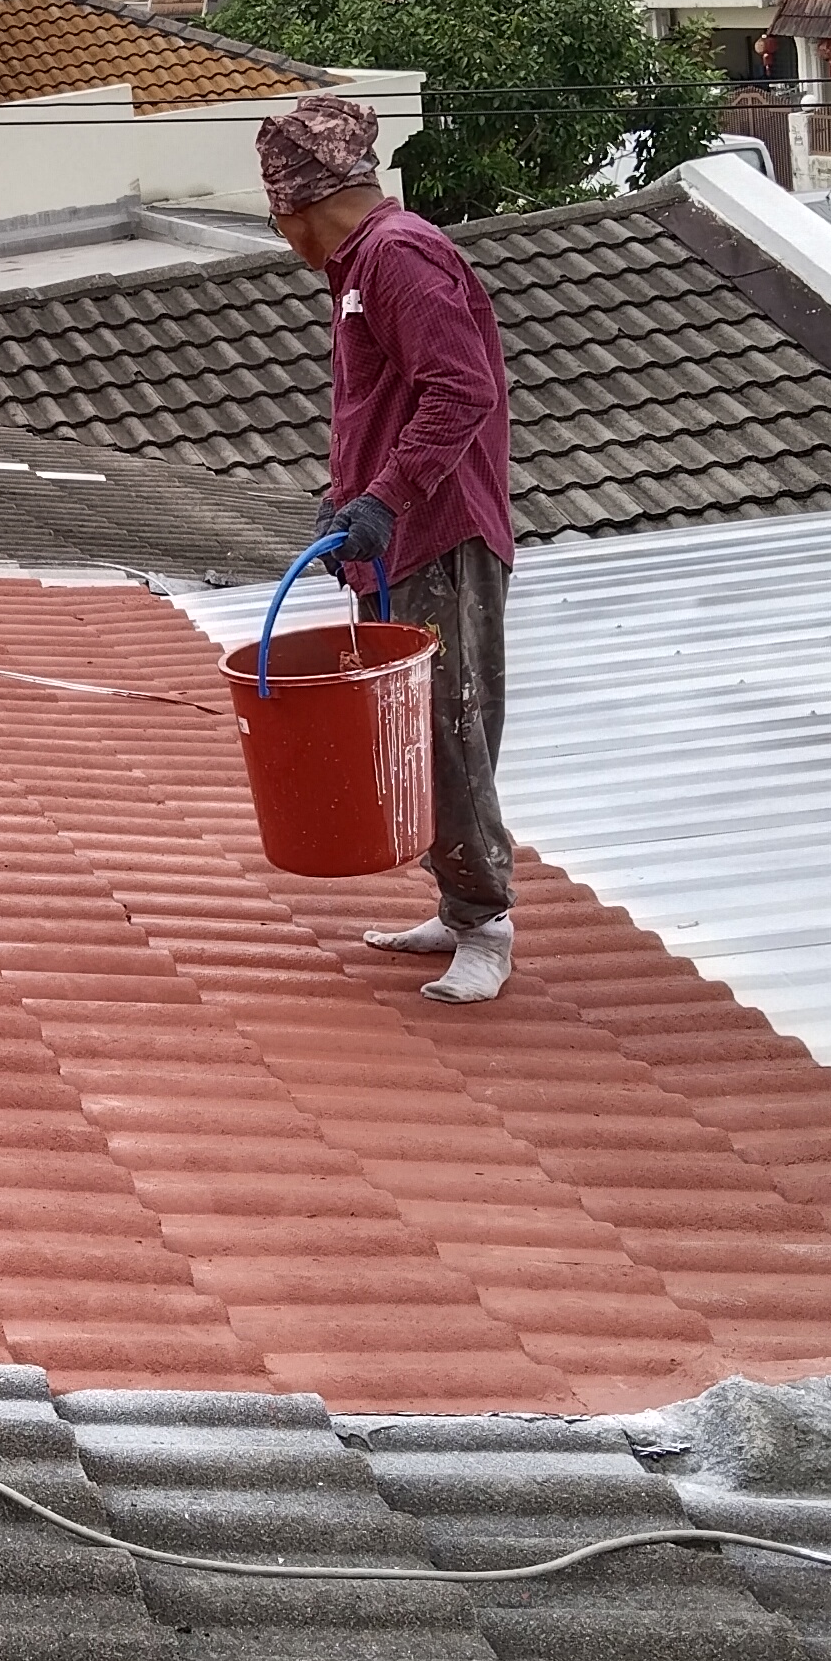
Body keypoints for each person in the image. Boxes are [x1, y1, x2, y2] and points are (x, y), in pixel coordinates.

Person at [254, 94, 519, 1005]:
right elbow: (386, 407)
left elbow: (462, 391)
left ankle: (485, 925)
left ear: (296, 207)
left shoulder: (398, 255)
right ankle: (456, 905)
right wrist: (348, 501)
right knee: (411, 731)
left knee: (447, 727)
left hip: (441, 535)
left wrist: (388, 498)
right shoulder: (363, 266)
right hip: (397, 537)